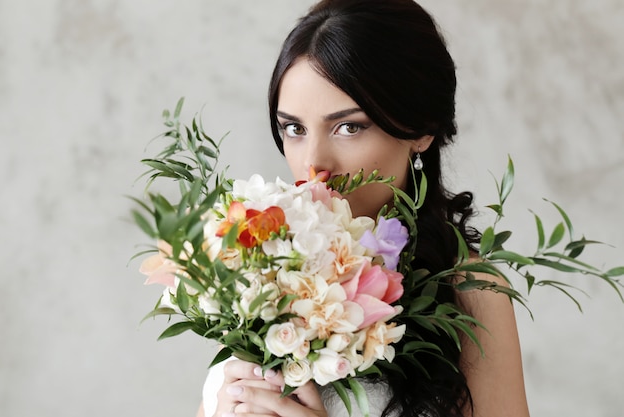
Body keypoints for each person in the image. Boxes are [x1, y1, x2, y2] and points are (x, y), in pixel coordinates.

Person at [197, 0, 530, 416]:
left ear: (422, 129)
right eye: (294, 129)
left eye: (349, 127)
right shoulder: (261, 260)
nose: (314, 161)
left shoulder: (470, 290)